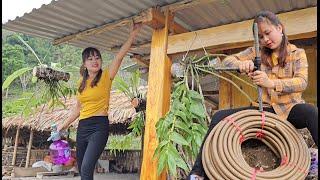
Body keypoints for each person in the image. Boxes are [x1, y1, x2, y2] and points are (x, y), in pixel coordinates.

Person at [188, 10, 318, 180]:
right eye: (261, 36)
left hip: (290, 108)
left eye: (267, 33)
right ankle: (197, 173)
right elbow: (228, 60)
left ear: (280, 28)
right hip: (263, 109)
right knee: (218, 116)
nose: (265, 39)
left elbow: (302, 82)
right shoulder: (257, 51)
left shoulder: (297, 53)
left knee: (311, 112)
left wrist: (271, 83)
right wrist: (242, 64)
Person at [57, 23, 142, 180]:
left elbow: (119, 56)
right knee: (82, 170)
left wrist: (132, 35)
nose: (94, 61)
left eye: (97, 58)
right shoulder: (80, 84)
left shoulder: (106, 76)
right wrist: (63, 125)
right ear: (84, 64)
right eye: (90, 59)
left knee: (87, 167)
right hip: (83, 127)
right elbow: (77, 109)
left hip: (99, 126)